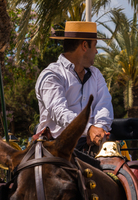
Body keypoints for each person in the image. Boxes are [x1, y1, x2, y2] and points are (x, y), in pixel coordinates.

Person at [35, 21, 114, 150]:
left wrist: (99, 130)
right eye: (95, 45)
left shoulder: (96, 74)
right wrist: (89, 130)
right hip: (56, 148)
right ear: (84, 45)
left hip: (91, 144)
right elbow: (59, 112)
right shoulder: (51, 75)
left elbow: (104, 105)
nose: (96, 51)